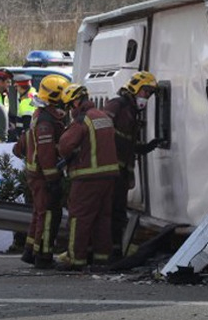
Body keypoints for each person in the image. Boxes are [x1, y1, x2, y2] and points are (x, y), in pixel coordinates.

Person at [57, 84, 119, 271]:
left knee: (79, 218)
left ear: (76, 102)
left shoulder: (82, 121)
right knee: (103, 218)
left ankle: (76, 259)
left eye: (69, 106)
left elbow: (64, 147)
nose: (70, 110)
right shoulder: (103, 116)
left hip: (87, 177)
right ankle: (101, 258)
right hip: (109, 176)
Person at [102, 71, 162, 259]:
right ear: (135, 88)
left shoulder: (132, 111)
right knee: (111, 213)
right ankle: (110, 252)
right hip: (111, 171)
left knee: (118, 213)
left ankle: (116, 250)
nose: (147, 97)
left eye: (150, 94)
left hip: (121, 172)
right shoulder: (117, 105)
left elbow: (128, 144)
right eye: (146, 92)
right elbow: (103, 134)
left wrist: (146, 148)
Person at [13, 74, 69, 268]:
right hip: (43, 175)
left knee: (39, 213)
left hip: (36, 173)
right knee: (48, 216)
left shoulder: (42, 113)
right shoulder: (46, 121)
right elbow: (46, 154)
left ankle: (30, 251)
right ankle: (43, 256)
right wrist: (53, 179)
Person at [12, 74, 36, 138]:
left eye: (16, 87)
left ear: (20, 87)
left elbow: (27, 127)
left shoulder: (26, 102)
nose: (16, 89)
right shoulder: (34, 95)